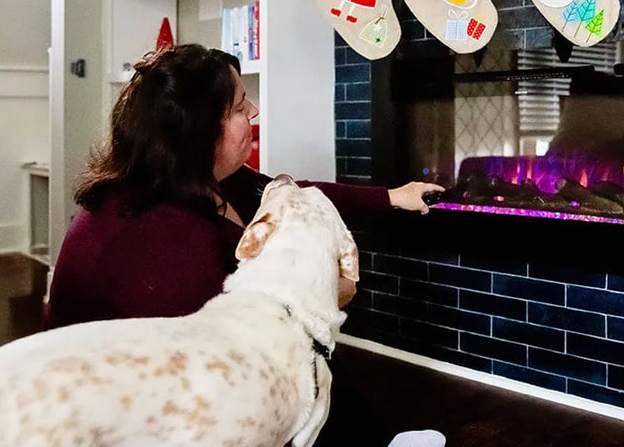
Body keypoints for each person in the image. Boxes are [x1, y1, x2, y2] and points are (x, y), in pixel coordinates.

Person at [44, 44, 445, 447]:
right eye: (238, 107)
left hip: (187, 375)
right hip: (127, 414)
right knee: (296, 349)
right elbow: (229, 352)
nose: (253, 111)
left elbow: (294, 196)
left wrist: (391, 196)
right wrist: (326, 293)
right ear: (198, 127)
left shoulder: (209, 177)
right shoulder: (152, 232)